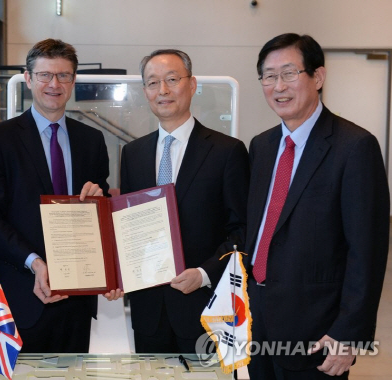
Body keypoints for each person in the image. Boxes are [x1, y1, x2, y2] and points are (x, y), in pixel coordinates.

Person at [245, 33, 390, 379]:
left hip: (317, 330)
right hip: (256, 322)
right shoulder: (261, 146)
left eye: (289, 73)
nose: (278, 86)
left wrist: (349, 334)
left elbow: (366, 250)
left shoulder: (355, 147)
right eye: (268, 75)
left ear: (318, 77)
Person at [0, 38, 115, 353]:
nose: (54, 84)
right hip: (22, 297)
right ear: (28, 78)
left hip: (77, 299)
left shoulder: (91, 140)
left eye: (63, 75)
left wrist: (99, 201)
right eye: (44, 75)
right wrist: (36, 263)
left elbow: (100, 212)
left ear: (74, 80)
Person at [120, 49, 249, 353]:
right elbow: (127, 226)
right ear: (145, 92)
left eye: (172, 80)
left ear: (191, 86)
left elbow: (243, 230)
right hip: (148, 310)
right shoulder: (133, 153)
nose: (162, 90)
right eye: (153, 83)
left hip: (205, 308)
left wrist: (205, 274)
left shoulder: (227, 152)